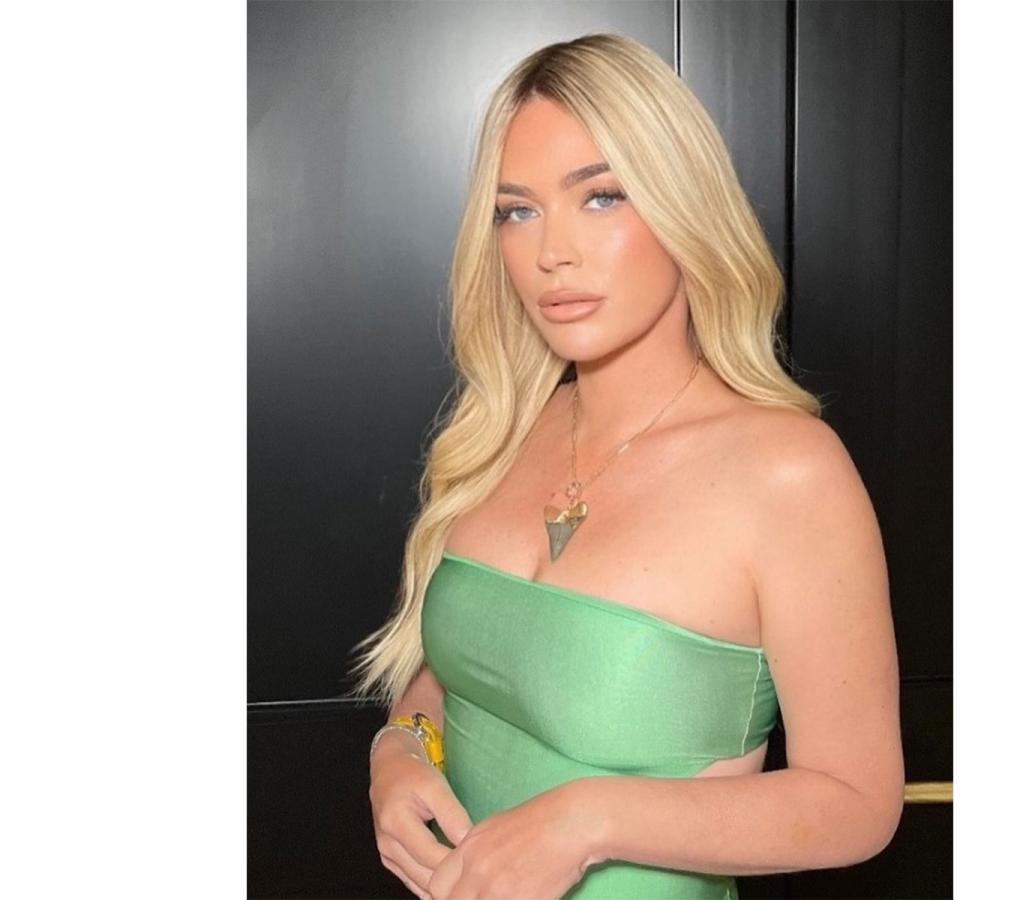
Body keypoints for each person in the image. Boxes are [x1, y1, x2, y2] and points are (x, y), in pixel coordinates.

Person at [349, 32, 903, 900]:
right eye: (517, 211)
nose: (552, 252)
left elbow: (857, 803)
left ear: (684, 207)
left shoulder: (788, 472)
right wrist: (400, 747)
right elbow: (465, 667)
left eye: (601, 197)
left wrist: (590, 821)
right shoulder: (505, 430)